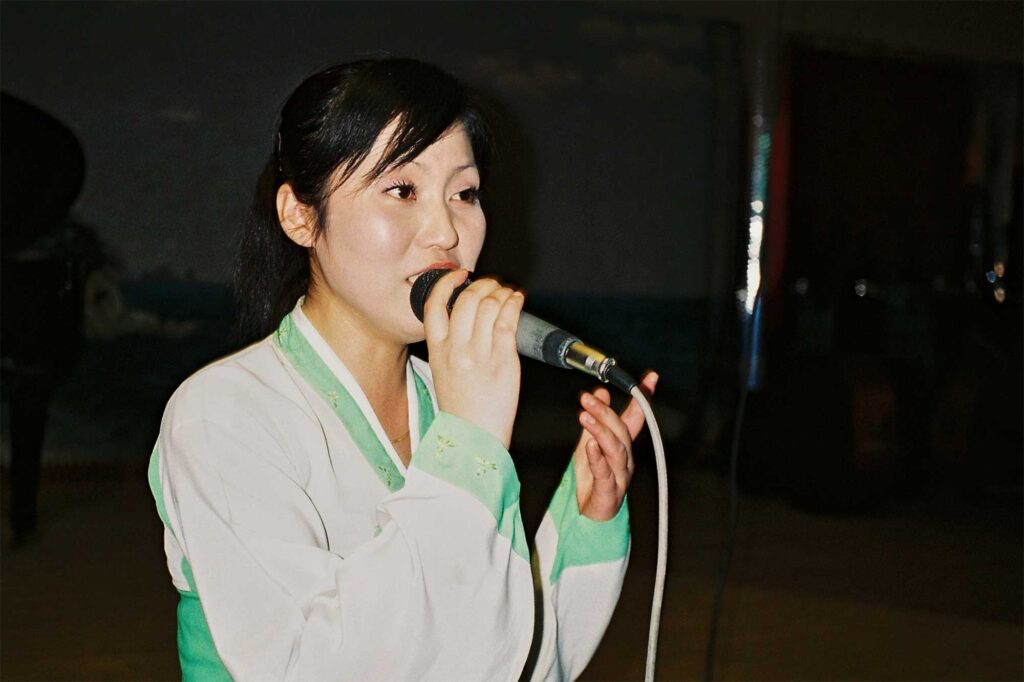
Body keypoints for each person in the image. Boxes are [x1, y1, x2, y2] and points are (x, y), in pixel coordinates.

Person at [148, 57, 657, 681]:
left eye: (464, 194)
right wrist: (467, 447)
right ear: (300, 216)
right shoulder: (222, 415)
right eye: (402, 190)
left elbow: (501, 662)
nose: (446, 231)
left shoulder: (446, 407)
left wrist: (584, 522)